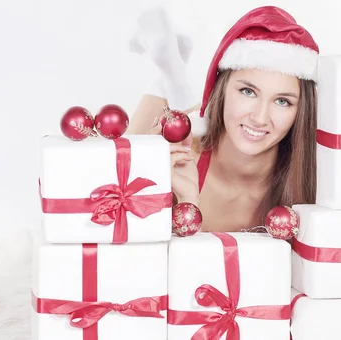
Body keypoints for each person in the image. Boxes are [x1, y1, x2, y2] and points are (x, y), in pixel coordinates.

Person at [128, 6, 319, 233]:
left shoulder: (313, 182)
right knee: (133, 150)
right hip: (194, 134)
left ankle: (172, 74)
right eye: (248, 91)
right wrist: (186, 200)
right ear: (221, 89)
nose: (259, 118)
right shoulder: (182, 163)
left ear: (301, 111)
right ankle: (170, 72)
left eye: (282, 101)